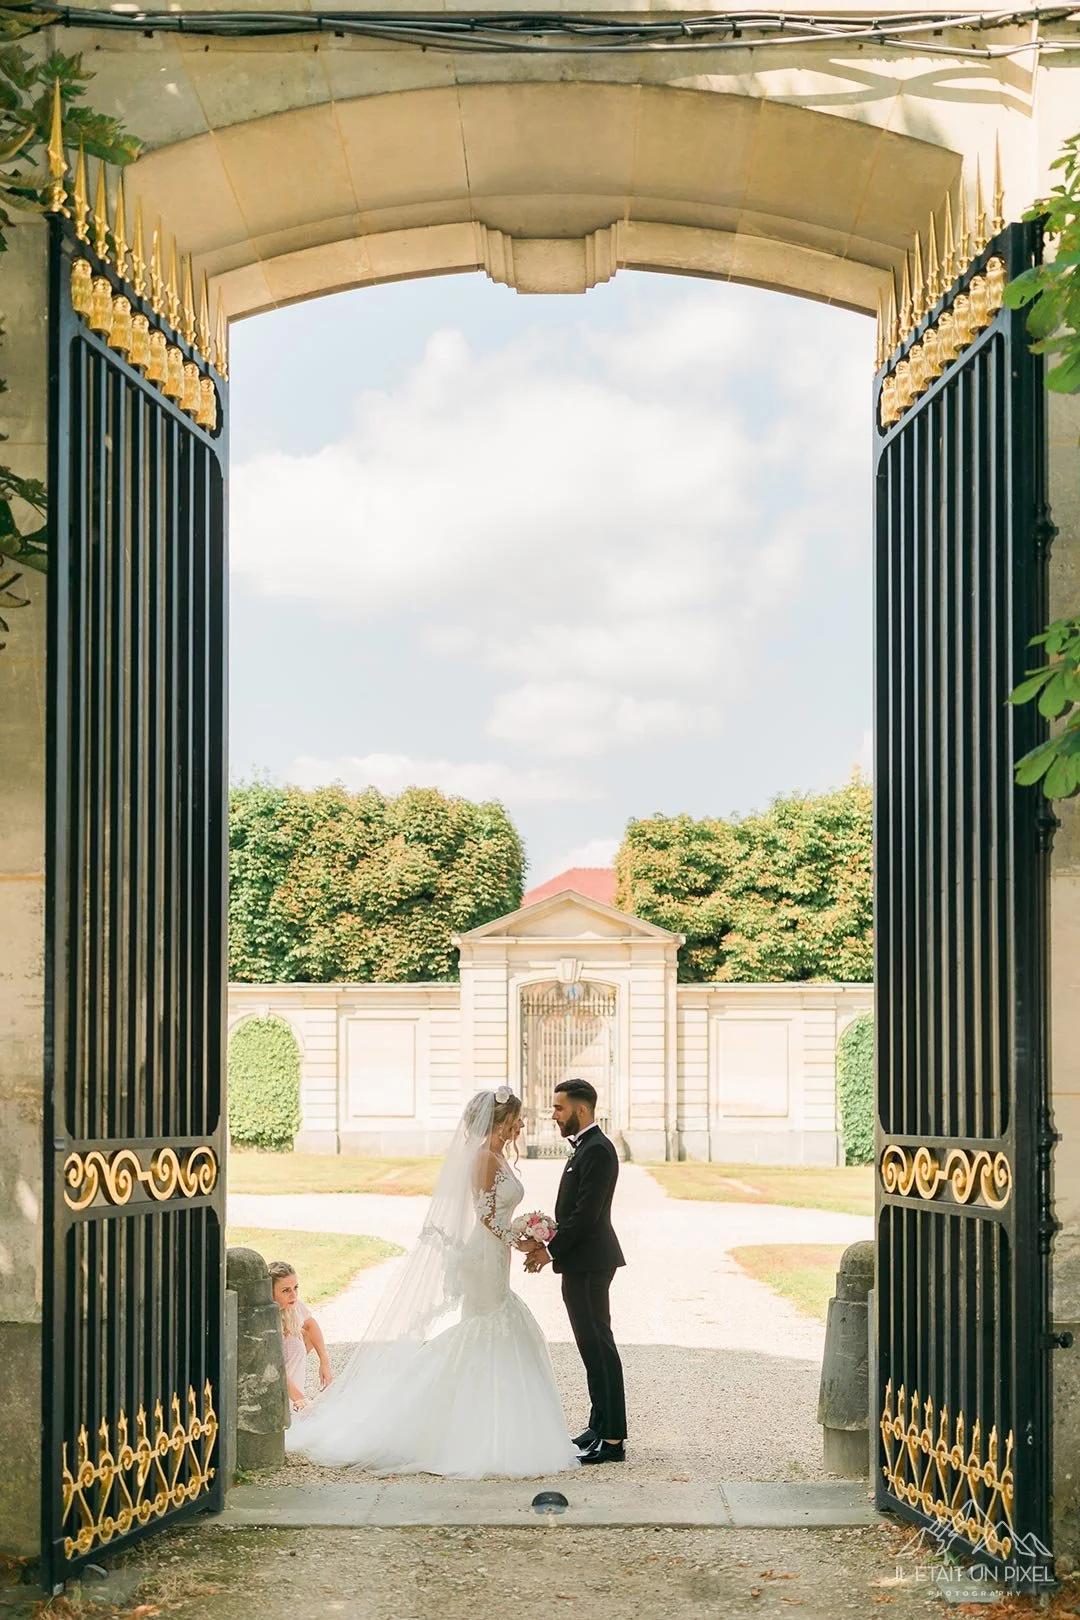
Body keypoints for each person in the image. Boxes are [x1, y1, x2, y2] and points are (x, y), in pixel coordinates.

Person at [284, 1087, 579, 1478]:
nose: (522, 1125)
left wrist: (522, 1233)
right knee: (486, 1327)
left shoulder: (496, 1156)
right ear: (502, 1121)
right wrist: (519, 1238)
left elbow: (497, 1216)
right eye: (517, 1119)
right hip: (485, 1255)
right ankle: (447, 1425)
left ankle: (483, 1423)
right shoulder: (483, 1158)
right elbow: (486, 1216)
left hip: (495, 1254)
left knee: (496, 1323)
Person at [522, 1078, 627, 1465]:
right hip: (582, 1261)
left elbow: (587, 1215)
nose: (553, 1115)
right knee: (590, 1349)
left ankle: (613, 1440)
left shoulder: (598, 1150)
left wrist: (549, 1249)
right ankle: (599, 1427)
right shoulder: (586, 1147)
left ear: (581, 1110)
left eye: (558, 1108)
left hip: (591, 1262)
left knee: (600, 1348)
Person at [268, 1259, 333, 1412]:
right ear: (270, 1293)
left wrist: (324, 1362)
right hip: (276, 1399)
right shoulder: (268, 1323)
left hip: (293, 1397)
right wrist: (299, 1398)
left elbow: (310, 1325)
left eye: (295, 1288)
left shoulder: (294, 1307)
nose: (293, 1295)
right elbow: (274, 1368)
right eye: (285, 1290)